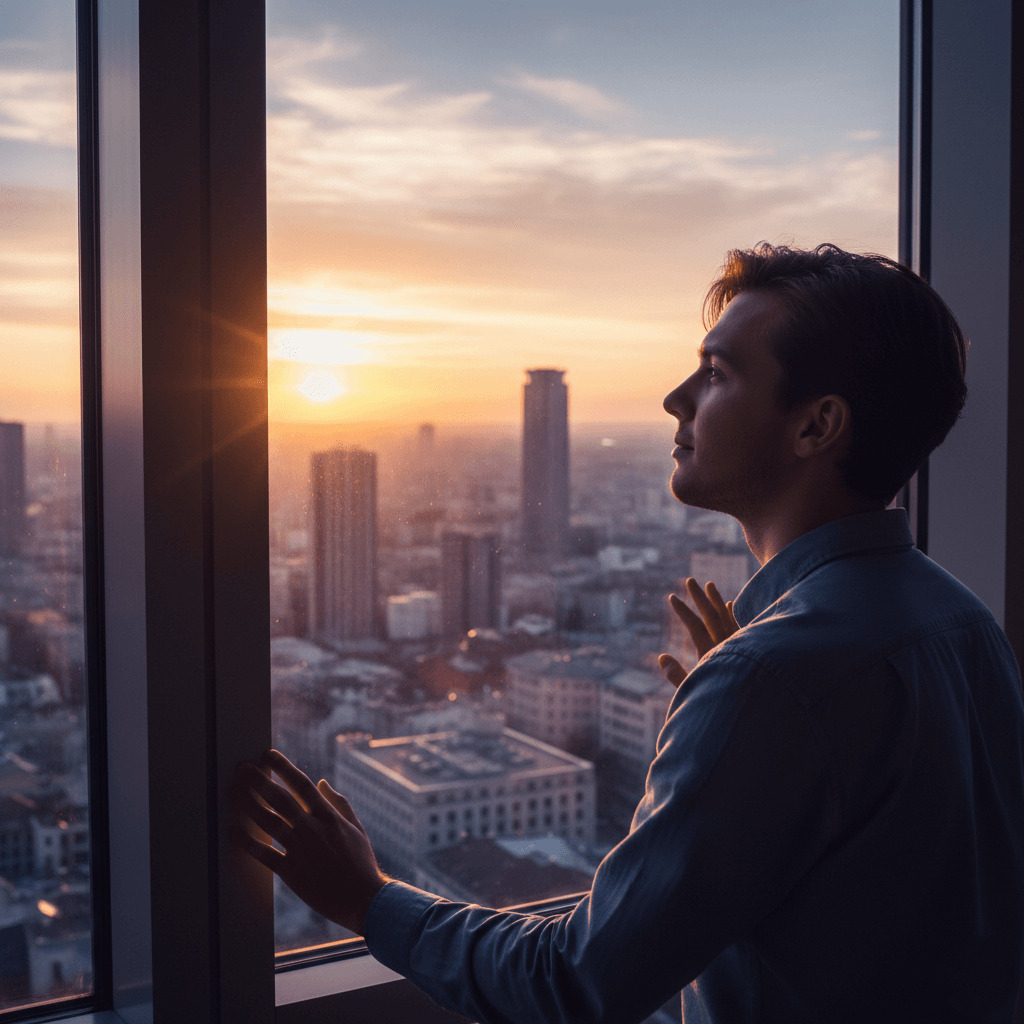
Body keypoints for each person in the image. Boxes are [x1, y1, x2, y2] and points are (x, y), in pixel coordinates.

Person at [237, 243, 1024, 1023]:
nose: (676, 399)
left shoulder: (773, 677)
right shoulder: (960, 620)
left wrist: (368, 900)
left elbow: (572, 983)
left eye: (716, 374)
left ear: (816, 425)